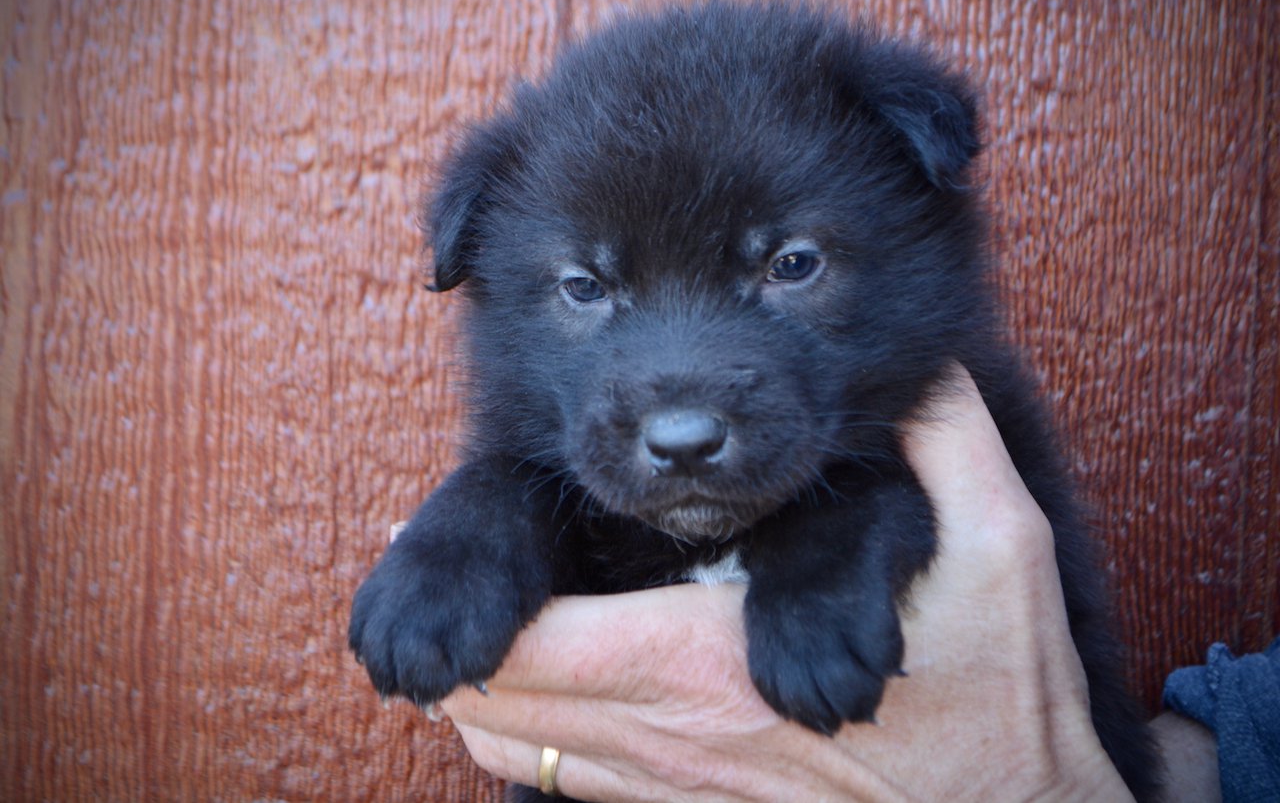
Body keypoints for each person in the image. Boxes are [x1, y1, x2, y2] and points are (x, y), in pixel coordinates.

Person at [440, 368, 1215, 801]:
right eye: (588, 287)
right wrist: (485, 524)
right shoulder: (549, 474)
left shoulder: (946, 467)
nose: (679, 417)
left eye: (789, 266)